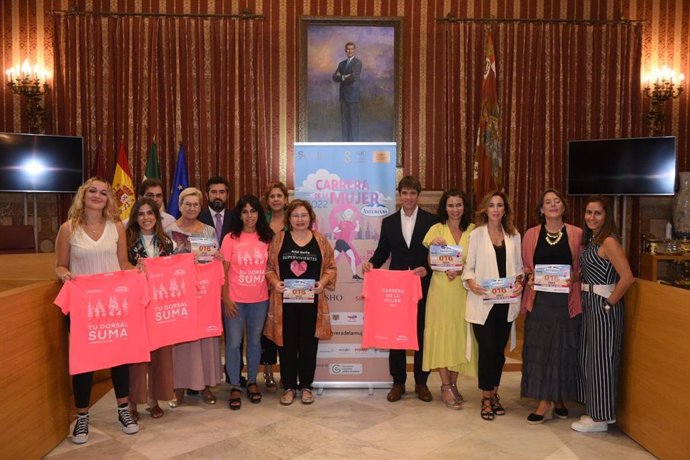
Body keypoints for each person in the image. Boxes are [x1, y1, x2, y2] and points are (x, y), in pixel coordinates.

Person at [55, 177, 139, 444]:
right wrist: (65, 274)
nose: (97, 196)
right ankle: (82, 417)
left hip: (114, 306)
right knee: (83, 361)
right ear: (83, 195)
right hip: (83, 307)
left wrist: (138, 272)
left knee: (120, 357)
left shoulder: (117, 227)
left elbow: (123, 262)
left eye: (103, 193)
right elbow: (59, 265)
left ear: (108, 199)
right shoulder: (68, 229)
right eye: (92, 191)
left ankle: (123, 411)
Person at [362, 176, 438, 403]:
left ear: (418, 195)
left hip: (421, 284)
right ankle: (398, 382)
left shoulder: (431, 221)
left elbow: (435, 255)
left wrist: (426, 268)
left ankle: (421, 383)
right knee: (395, 334)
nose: (408, 197)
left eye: (413, 193)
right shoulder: (389, 222)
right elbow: (382, 251)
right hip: (395, 289)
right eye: (404, 193)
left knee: (421, 333)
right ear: (399, 195)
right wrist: (371, 264)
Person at [264, 199, 337, 405]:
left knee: (308, 345)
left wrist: (322, 283)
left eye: (303, 215)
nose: (299, 219)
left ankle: (306, 386)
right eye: (295, 216)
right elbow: (269, 268)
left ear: (311, 218)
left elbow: (331, 268)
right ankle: (288, 387)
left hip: (312, 304)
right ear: (289, 218)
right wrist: (275, 282)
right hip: (284, 305)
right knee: (286, 346)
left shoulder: (320, 240)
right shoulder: (279, 239)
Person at [571, 195, 633, 433]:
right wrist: (574, 278)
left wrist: (609, 304)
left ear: (606, 216)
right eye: (588, 212)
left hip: (604, 306)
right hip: (589, 304)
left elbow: (627, 277)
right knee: (590, 358)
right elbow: (590, 271)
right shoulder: (593, 240)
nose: (591, 217)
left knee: (602, 361)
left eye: (597, 213)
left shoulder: (609, 242)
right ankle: (595, 410)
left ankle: (601, 417)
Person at [520, 189, 583, 424]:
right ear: (541, 209)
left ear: (563, 207)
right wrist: (530, 275)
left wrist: (576, 277)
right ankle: (544, 400)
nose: (553, 205)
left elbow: (584, 266)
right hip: (540, 301)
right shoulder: (531, 234)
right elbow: (525, 266)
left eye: (557, 201)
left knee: (563, 350)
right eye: (548, 202)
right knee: (542, 349)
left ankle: (559, 398)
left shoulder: (577, 234)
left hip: (566, 302)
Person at [462, 191, 523, 421]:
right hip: (483, 302)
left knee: (498, 352)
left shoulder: (514, 235)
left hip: (505, 304)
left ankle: (495, 394)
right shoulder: (476, 235)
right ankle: (485, 397)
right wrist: (471, 283)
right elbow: (469, 267)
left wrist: (519, 283)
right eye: (491, 205)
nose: (496, 209)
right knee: (487, 350)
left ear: (504, 210)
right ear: (485, 210)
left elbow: (518, 269)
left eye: (499, 205)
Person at [166, 187, 223, 406]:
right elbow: (165, 261)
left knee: (205, 341)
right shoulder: (169, 230)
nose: (191, 208)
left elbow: (213, 261)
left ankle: (206, 386)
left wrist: (217, 256)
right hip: (179, 295)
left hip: (203, 295)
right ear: (180, 206)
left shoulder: (208, 231)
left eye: (196, 204)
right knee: (180, 342)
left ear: (201, 207)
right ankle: (178, 388)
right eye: (187, 204)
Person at [422, 189, 477, 409]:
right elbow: (430, 262)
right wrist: (435, 249)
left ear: (465, 207)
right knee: (441, 335)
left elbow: (476, 263)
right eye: (451, 205)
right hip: (441, 291)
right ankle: (445, 386)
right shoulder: (436, 229)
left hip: (462, 291)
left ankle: (454, 384)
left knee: (459, 337)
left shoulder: (474, 231)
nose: (455, 210)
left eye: (459, 205)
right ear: (444, 207)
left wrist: (461, 269)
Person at [221, 195, 274, 410]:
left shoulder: (267, 237)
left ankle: (252, 381)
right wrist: (225, 297)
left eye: (253, 211)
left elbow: (271, 268)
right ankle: (235, 384)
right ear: (239, 214)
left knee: (254, 343)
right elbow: (222, 271)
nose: (249, 215)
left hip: (259, 300)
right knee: (233, 343)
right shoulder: (230, 238)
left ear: (259, 213)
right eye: (245, 211)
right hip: (234, 299)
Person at [125, 198, 175, 421]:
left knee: (159, 356)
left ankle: (154, 400)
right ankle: (133, 401)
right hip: (136, 305)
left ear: (157, 216)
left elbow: (173, 271)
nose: (146, 218)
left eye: (150, 213)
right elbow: (121, 271)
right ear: (135, 218)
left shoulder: (167, 243)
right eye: (141, 214)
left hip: (160, 306)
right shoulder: (126, 243)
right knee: (136, 356)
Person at [198, 176, 242, 386]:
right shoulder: (196, 216)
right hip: (203, 288)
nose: (217, 196)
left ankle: (235, 375)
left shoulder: (237, 219)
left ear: (227, 195)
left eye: (221, 192)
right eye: (213, 192)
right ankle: (203, 378)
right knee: (204, 334)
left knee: (234, 334)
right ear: (207, 195)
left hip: (233, 286)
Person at [260, 181, 289, 392]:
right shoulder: (261, 222)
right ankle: (268, 371)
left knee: (285, 328)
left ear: (286, 199)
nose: (276, 199)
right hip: (263, 281)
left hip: (289, 282)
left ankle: (286, 372)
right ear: (268, 201)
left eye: (280, 195)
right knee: (266, 329)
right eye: (272, 196)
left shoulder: (295, 219)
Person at [332, 41, 362, 142]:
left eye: (352, 49)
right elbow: (334, 77)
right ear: (345, 50)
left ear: (354, 50)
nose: (350, 51)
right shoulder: (342, 64)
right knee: (345, 123)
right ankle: (345, 144)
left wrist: (342, 77)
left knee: (353, 122)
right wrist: (345, 76)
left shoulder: (357, 63)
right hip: (343, 96)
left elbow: (354, 77)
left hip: (353, 97)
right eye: (348, 49)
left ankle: (355, 145)